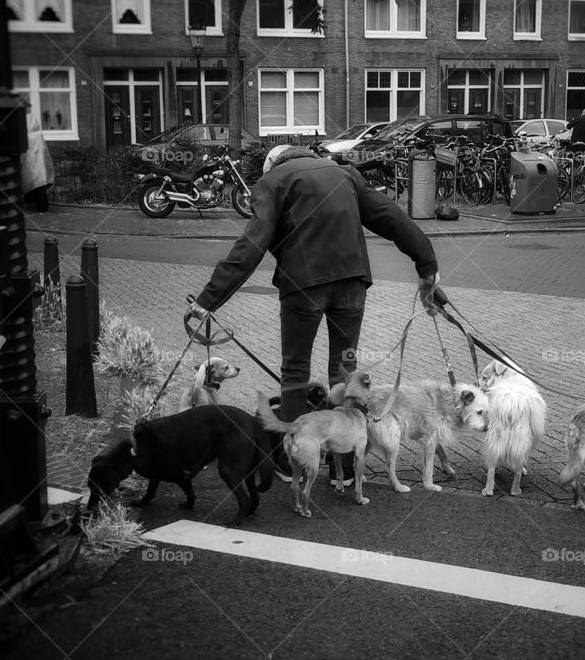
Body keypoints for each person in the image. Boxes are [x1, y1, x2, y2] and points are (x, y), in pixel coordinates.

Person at [185, 143, 440, 483]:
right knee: (346, 371)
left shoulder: (274, 181)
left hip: (301, 287)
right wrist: (427, 266)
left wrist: (208, 300)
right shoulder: (344, 173)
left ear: (273, 164)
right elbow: (392, 219)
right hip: (351, 284)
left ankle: (294, 464)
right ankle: (346, 467)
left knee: (295, 372)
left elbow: (251, 246)